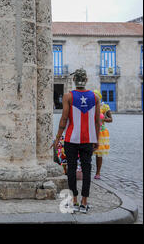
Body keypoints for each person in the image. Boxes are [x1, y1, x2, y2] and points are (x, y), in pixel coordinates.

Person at [53, 69, 100, 214]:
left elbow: (64, 119)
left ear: (74, 81)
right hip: (88, 140)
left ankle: (74, 200)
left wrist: (57, 138)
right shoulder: (95, 97)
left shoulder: (68, 96)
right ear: (85, 80)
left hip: (71, 139)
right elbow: (97, 121)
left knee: (71, 169)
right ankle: (84, 202)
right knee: (87, 170)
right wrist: (96, 139)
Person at [93, 90, 112, 179]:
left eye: (95, 97)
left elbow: (111, 119)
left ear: (99, 98)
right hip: (90, 131)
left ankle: (98, 173)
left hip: (101, 132)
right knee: (86, 152)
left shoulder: (104, 107)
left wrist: (103, 119)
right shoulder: (89, 106)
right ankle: (84, 171)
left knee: (99, 154)